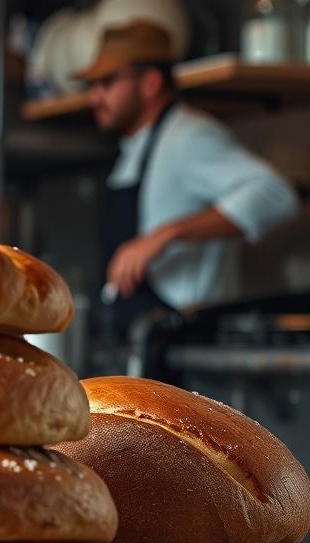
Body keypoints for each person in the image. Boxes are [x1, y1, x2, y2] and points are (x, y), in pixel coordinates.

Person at [74, 21, 298, 338]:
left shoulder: (189, 136)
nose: (95, 97)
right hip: (140, 338)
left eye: (107, 82)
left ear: (150, 82)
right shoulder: (133, 149)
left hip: (185, 341)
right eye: (92, 85)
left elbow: (276, 195)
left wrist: (166, 234)